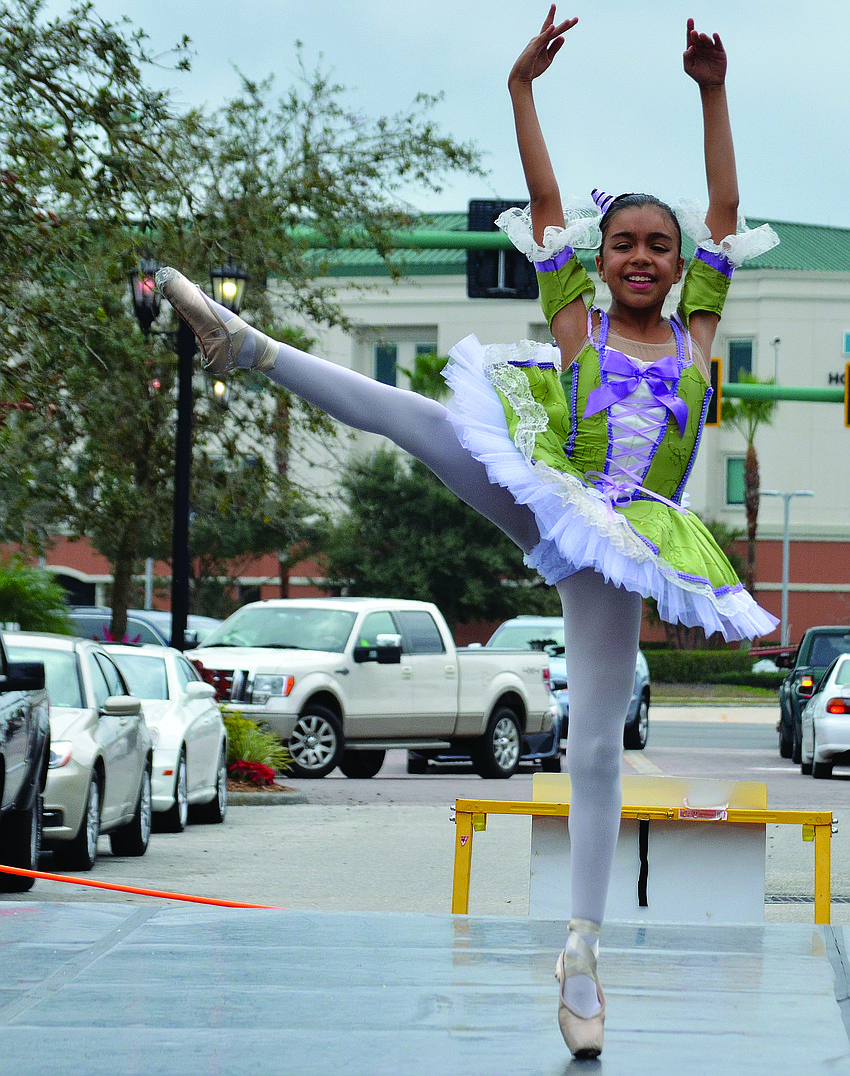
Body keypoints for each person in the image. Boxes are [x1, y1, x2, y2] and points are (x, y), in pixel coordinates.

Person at [155, 8, 778, 1058]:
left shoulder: (696, 333)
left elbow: (723, 205)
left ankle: (581, 952)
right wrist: (519, 88)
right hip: (553, 487)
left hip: (630, 540)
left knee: (591, 744)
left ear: (677, 267)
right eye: (621, 240)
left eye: (655, 245)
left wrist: (711, 94)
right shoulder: (577, 320)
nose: (638, 254)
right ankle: (247, 347)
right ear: (600, 257)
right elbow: (542, 199)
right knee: (429, 425)